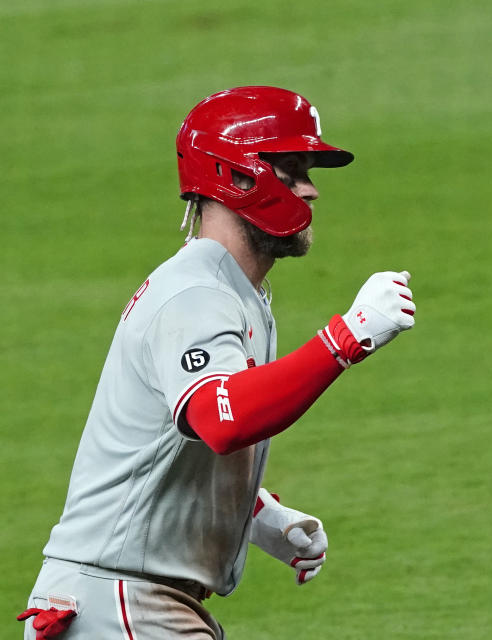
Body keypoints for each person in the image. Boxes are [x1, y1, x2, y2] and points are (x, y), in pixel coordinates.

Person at [19, 86, 416, 639]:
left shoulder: (231, 292)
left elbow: (166, 445)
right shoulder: (195, 296)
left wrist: (258, 516)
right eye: (294, 169)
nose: (312, 189)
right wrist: (345, 338)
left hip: (124, 600)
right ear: (242, 177)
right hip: (120, 601)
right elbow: (222, 420)